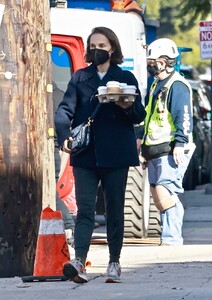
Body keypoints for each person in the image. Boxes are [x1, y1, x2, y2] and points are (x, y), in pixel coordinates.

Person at [54, 26, 146, 283]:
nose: (96, 50)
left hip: (116, 153)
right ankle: (79, 262)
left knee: (114, 210)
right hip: (86, 153)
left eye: (102, 46)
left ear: (112, 49)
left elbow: (139, 115)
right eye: (92, 46)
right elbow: (64, 111)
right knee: (84, 210)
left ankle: (114, 263)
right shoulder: (80, 78)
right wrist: (64, 137)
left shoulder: (125, 77)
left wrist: (126, 104)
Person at [140, 38, 194, 246]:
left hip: (171, 148)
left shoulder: (177, 85)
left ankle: (172, 238)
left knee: (165, 190)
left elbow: (184, 116)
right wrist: (143, 146)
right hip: (155, 148)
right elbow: (149, 116)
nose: (150, 64)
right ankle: (169, 236)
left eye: (153, 61)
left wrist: (180, 143)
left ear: (164, 61)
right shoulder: (156, 85)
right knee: (157, 192)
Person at [53, 81, 75, 254]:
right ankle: (69, 227)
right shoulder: (60, 94)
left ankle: (69, 227)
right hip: (54, 149)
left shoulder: (49, 96)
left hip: (45, 150)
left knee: (49, 193)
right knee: (51, 191)